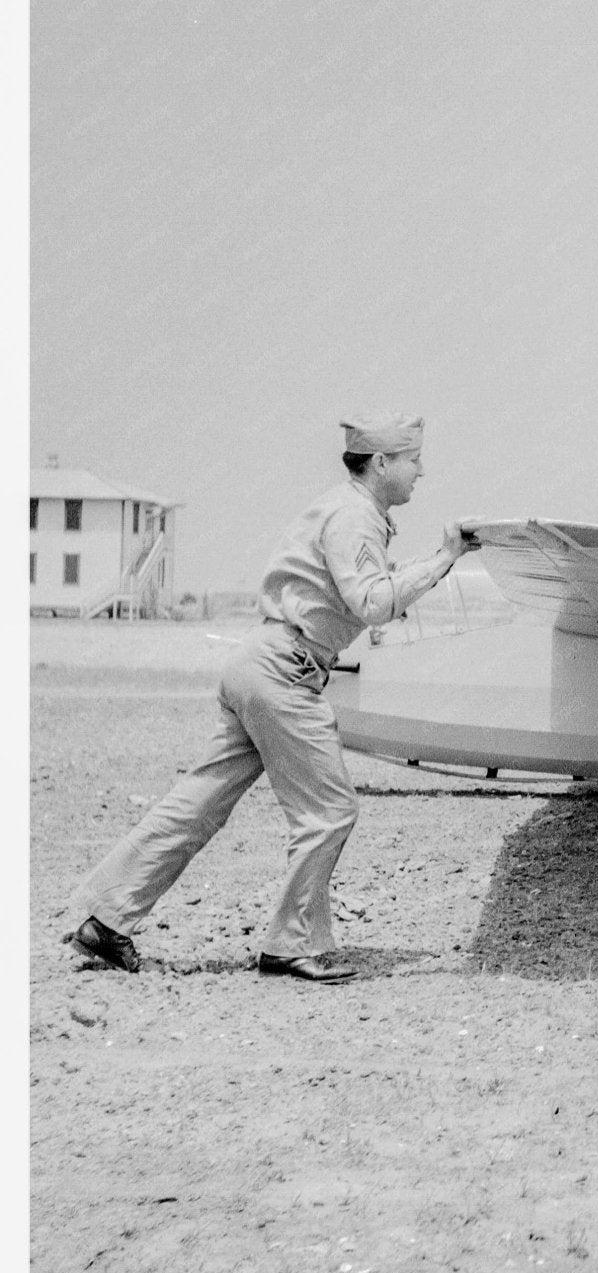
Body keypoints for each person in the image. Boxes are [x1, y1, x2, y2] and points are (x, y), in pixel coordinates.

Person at [63, 417, 474, 984]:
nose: (421, 472)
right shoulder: (356, 517)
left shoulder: (343, 508)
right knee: (330, 811)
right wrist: (446, 557)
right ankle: (288, 944)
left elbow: (363, 591)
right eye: (414, 460)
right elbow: (374, 603)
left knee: (197, 803)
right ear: (381, 464)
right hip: (286, 671)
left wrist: (430, 560)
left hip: (259, 661)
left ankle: (106, 920)